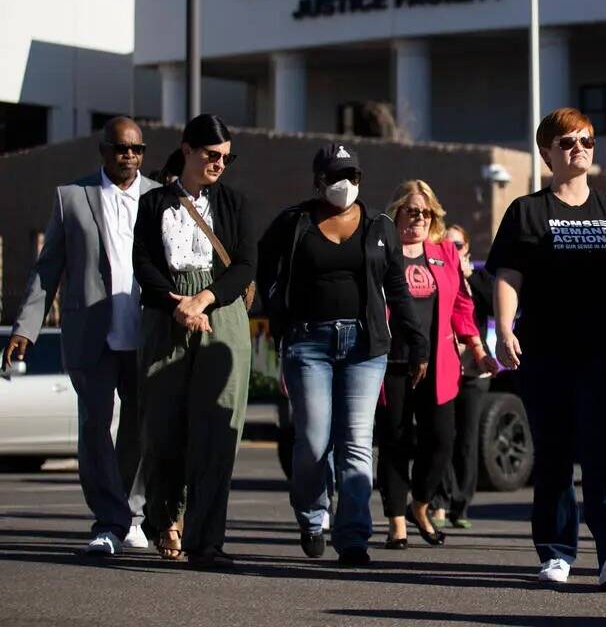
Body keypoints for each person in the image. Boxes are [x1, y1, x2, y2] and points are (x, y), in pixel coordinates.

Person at [487, 107, 606, 591]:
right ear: (547, 153)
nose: (579, 149)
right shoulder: (527, 210)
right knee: (556, 454)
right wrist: (505, 329)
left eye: (586, 140)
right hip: (547, 352)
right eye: (567, 142)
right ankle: (557, 552)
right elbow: (508, 275)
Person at [256, 144, 427, 567]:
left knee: (356, 443)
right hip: (307, 342)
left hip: (365, 347)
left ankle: (353, 538)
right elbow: (264, 266)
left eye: (351, 176)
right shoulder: (293, 222)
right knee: (313, 440)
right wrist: (277, 313)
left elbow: (398, 288)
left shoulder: (380, 228)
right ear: (318, 182)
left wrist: (417, 338)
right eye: (335, 177)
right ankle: (314, 519)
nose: (344, 185)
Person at [5, 117, 159, 556]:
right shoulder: (72, 197)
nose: (128, 155)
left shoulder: (158, 197)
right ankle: (108, 520)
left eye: (136, 149)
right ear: (104, 150)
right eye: (120, 148)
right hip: (90, 331)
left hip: (145, 329)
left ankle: (133, 511)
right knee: (95, 426)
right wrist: (26, 327)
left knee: (143, 424)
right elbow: (48, 266)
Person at [133, 114, 255, 569]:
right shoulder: (153, 204)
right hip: (166, 311)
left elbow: (245, 264)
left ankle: (207, 541)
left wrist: (204, 299)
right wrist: (176, 304)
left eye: (226, 157)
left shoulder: (237, 203)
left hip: (221, 311)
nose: (219, 164)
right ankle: (166, 518)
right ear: (187, 150)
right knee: (162, 428)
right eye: (211, 155)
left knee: (217, 432)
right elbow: (142, 262)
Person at [376, 182, 489, 549]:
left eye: (426, 213)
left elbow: (460, 304)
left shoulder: (443, 253)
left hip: (438, 361)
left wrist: (474, 343)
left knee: (440, 440)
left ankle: (420, 504)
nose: (419, 219)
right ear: (397, 214)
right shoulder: (381, 251)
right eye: (412, 211)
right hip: (391, 361)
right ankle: (397, 523)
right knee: (395, 442)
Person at [432, 223, 495, 530]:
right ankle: (440, 502)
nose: (451, 250)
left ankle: (461, 506)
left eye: (457, 246)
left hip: (473, 369)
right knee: (444, 435)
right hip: (445, 366)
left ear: (467, 249)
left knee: (467, 440)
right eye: (447, 245)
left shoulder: (478, 279)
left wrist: (469, 277)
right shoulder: (438, 274)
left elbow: (494, 306)